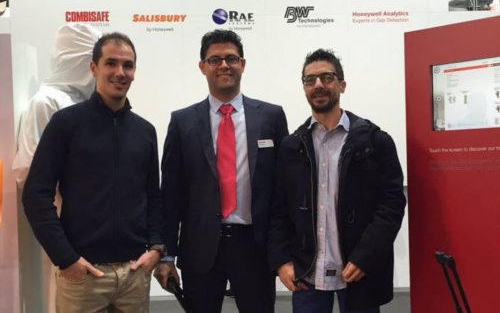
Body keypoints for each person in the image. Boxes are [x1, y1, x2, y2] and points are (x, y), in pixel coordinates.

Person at [23, 32, 164, 313]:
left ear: (134, 72)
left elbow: (153, 196)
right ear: (93, 68)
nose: (120, 72)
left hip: (135, 274)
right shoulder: (65, 124)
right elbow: (35, 195)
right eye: (111, 63)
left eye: (127, 65)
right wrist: (66, 258)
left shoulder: (145, 131)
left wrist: (156, 248)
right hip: (83, 276)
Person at [155, 29, 289, 313]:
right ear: (202, 66)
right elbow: (171, 195)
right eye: (215, 59)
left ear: (243, 64)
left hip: (255, 247)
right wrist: (166, 256)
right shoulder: (182, 122)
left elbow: (283, 191)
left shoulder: (271, 117)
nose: (224, 65)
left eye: (231, 58)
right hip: (200, 248)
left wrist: (283, 250)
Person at [268, 49, 406, 313]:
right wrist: (281, 260)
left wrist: (366, 255)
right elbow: (278, 211)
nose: (318, 84)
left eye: (327, 77)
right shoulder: (291, 147)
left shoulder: (375, 142)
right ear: (304, 88)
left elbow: (391, 205)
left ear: (342, 84)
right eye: (310, 80)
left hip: (358, 271)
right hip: (307, 274)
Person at [13, 22, 101, 313]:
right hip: (63, 225)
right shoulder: (46, 102)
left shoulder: (86, 102)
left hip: (92, 226)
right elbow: (31, 173)